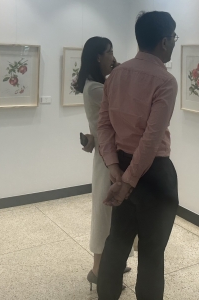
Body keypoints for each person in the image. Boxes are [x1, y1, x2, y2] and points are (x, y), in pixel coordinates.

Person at [96, 11, 179, 300]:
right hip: (155, 175)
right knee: (152, 254)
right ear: (164, 42)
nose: (174, 43)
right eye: (174, 37)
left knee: (117, 242)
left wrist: (115, 169)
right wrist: (128, 181)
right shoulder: (165, 81)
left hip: (122, 166)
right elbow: (151, 140)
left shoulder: (116, 75)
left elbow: (103, 125)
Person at [75, 37, 131, 292]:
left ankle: (113, 262)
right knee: (105, 212)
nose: (112, 56)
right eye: (109, 52)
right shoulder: (96, 88)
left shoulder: (98, 85)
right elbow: (126, 105)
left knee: (115, 212)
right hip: (108, 158)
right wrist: (120, 71)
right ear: (98, 57)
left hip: (109, 153)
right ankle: (98, 270)